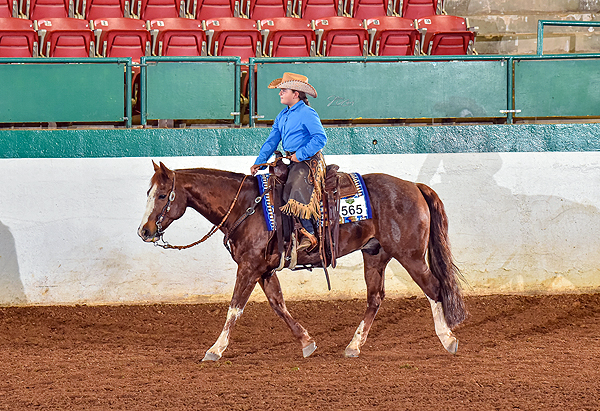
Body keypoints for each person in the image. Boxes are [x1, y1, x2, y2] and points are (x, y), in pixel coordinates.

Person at [250, 72, 327, 252]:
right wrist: (260, 162)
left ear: (296, 94)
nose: (280, 93)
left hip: (308, 161)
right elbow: (272, 141)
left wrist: (300, 155)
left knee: (294, 188)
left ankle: (309, 233)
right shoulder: (282, 115)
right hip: (292, 160)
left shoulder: (307, 113)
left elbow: (320, 138)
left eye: (284, 90)